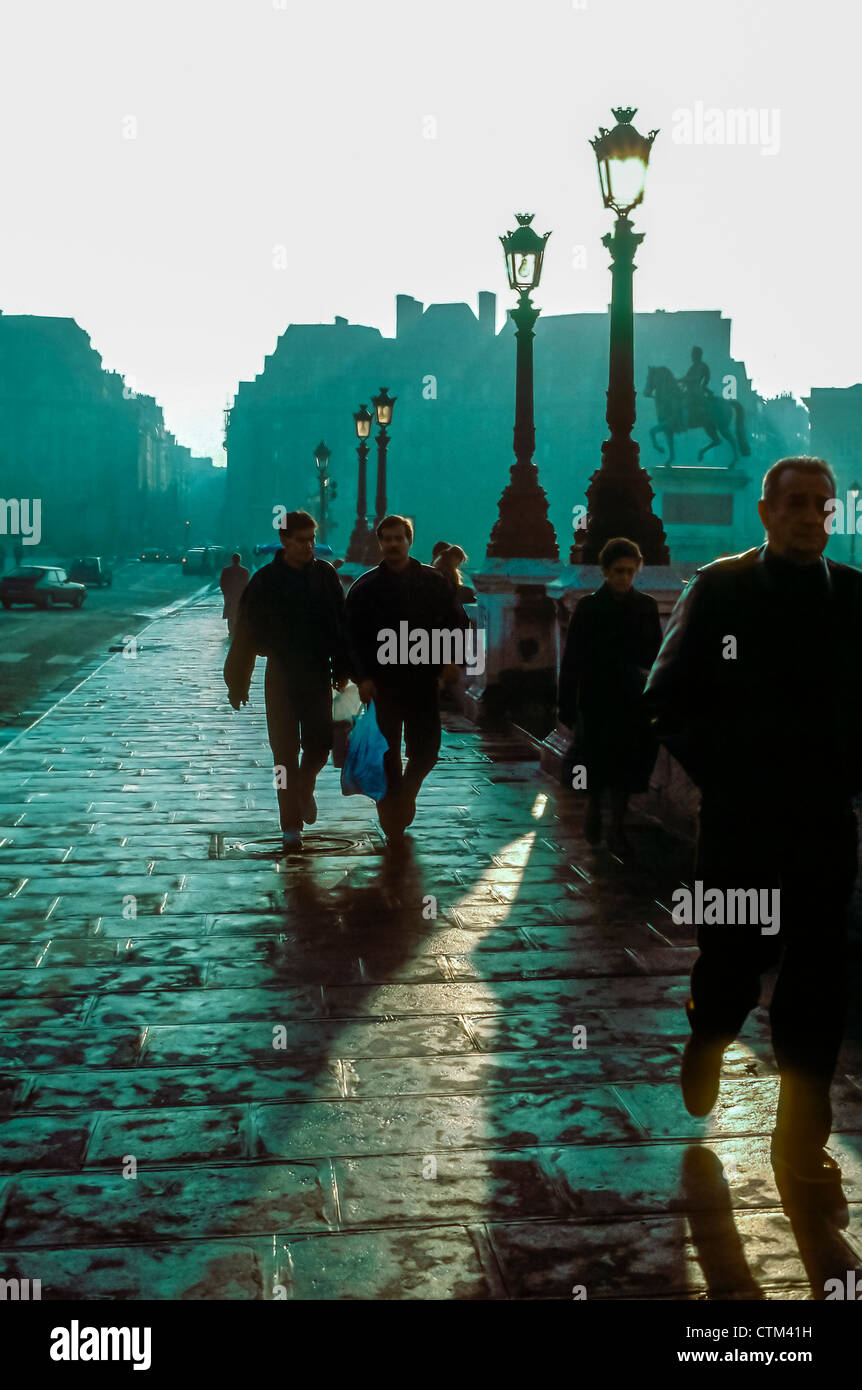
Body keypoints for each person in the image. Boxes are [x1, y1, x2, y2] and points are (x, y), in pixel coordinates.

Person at [645, 456, 862, 1203]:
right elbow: (664, 700)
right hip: (740, 826)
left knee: (819, 987)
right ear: (766, 513)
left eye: (822, 505)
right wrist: (732, 772)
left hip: (826, 827)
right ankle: (708, 1035)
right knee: (732, 969)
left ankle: (800, 1144)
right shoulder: (719, 590)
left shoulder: (854, 596)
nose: (811, 516)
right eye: (796, 504)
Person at [224, 510, 351, 852]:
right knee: (283, 753)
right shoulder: (265, 581)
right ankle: (290, 826)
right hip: (280, 674)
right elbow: (246, 634)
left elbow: (340, 625)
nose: (308, 546)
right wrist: (238, 681)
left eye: (312, 539)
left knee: (320, 744)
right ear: (284, 541)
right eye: (301, 540)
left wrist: (342, 669)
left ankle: (303, 787)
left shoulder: (325, 576)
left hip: (316, 671)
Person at [345, 514, 469, 843]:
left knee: (426, 751)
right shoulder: (365, 587)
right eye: (386, 539)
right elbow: (352, 637)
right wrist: (361, 677)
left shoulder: (433, 582)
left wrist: (453, 660)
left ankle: (405, 793)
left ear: (408, 541)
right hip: (383, 684)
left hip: (422, 680)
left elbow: (457, 622)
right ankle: (391, 806)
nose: (392, 544)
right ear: (380, 543)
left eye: (398, 538)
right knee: (387, 753)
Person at [558, 537, 663, 853]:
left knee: (629, 763)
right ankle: (594, 807)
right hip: (598, 696)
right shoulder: (588, 608)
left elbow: (656, 655)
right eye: (619, 571)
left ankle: (616, 823)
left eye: (630, 571)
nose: (624, 578)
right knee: (598, 759)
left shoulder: (646, 606)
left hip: (632, 697)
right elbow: (573, 659)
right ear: (606, 571)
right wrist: (566, 705)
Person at [219, 553, 250, 637]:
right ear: (240, 560)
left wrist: (225, 593)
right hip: (240, 595)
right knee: (239, 613)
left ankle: (231, 631)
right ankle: (237, 630)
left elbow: (222, 583)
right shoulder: (245, 571)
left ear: (232, 560)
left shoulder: (226, 570)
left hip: (230, 595)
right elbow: (247, 584)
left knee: (230, 614)